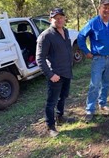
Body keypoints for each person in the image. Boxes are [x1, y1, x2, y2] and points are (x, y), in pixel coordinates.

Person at [77, 0, 109, 122]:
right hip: (98, 59)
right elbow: (81, 36)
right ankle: (90, 109)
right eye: (104, 8)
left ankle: (103, 104)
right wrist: (86, 51)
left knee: (107, 82)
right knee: (95, 84)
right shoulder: (93, 23)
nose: (107, 10)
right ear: (100, 9)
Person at [36, 8, 73, 137]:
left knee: (63, 97)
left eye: (61, 17)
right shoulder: (46, 36)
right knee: (51, 101)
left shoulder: (66, 31)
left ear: (64, 18)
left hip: (67, 72)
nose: (59, 19)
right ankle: (50, 126)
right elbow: (39, 58)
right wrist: (51, 75)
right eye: (55, 17)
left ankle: (60, 117)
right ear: (50, 19)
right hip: (56, 75)